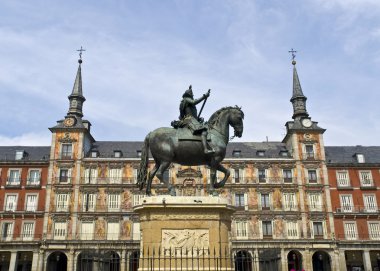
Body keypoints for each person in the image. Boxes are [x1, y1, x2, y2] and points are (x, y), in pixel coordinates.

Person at [177, 85, 215, 154]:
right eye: (192, 94)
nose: (192, 95)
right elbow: (194, 102)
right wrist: (204, 96)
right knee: (204, 131)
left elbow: (185, 114)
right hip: (189, 120)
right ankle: (205, 149)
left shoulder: (185, 102)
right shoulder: (186, 99)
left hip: (192, 119)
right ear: (189, 94)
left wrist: (198, 118)